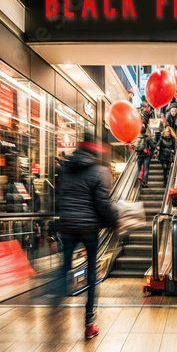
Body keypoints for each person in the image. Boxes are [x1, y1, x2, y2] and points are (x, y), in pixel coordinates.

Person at [60, 138, 119, 339]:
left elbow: (60, 194)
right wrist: (113, 222)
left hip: (67, 226)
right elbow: (102, 203)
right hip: (88, 228)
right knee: (92, 274)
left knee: (64, 268)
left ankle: (54, 304)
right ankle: (89, 323)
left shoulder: (66, 168)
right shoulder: (98, 170)